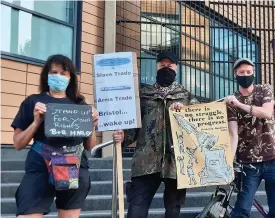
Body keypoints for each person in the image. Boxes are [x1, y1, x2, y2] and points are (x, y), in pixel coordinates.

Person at [11, 54, 125, 218]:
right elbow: (17, 144)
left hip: (74, 164)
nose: (58, 76)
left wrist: (92, 126)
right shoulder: (33, 102)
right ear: (47, 75)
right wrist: (36, 122)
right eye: (54, 72)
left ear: (71, 77)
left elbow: (89, 146)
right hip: (40, 163)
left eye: (63, 73)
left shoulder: (80, 104)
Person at [123, 51, 198, 218]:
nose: (166, 68)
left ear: (176, 68)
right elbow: (132, 130)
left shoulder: (187, 97)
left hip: (176, 165)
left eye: (170, 66)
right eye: (162, 65)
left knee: (173, 212)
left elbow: (196, 130)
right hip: (145, 163)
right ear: (156, 67)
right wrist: (121, 138)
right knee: (136, 211)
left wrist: (184, 114)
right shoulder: (143, 95)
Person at [225, 58, 275, 218]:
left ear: (253, 73)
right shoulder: (231, 102)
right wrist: (230, 162)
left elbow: (266, 113)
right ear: (235, 74)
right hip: (248, 162)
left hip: (274, 157)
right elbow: (233, 134)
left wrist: (239, 104)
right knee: (241, 209)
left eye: (248, 72)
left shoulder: (264, 90)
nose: (245, 75)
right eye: (241, 72)